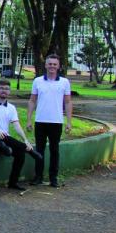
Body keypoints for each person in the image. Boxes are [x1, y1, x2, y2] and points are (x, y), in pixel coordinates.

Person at [26, 54, 72, 187]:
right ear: (45, 65)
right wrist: (29, 119)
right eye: (50, 64)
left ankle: (53, 178)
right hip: (40, 121)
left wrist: (69, 122)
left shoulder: (64, 82)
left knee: (54, 150)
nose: (52, 66)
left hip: (56, 122)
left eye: (54, 64)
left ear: (58, 66)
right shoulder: (37, 81)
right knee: (39, 150)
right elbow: (32, 100)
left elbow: (68, 102)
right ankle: (38, 176)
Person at [0, 80, 39, 191]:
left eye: (6, 89)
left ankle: (13, 182)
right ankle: (31, 152)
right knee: (4, 136)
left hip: (5, 138)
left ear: (9, 91)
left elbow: (16, 126)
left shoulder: (11, 108)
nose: (4, 91)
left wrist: (25, 140)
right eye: (1, 88)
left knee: (20, 153)